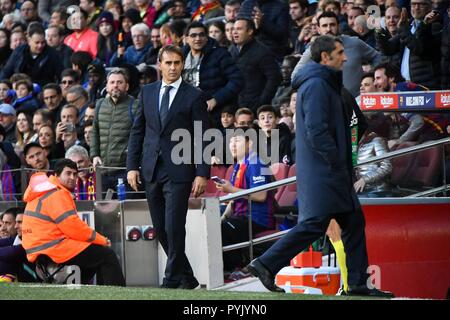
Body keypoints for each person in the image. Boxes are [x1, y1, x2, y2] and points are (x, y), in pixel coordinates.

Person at [247, 35, 394, 297]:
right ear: (325, 57)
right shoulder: (316, 85)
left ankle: (358, 283)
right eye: (340, 53)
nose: (346, 57)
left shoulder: (327, 84)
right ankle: (266, 263)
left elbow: (353, 124)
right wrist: (337, 161)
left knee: (352, 222)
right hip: (325, 171)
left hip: (326, 170)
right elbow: (317, 131)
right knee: (316, 224)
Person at [127, 45, 210, 289]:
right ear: (160, 65)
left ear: (182, 65)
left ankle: (171, 278)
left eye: (177, 63)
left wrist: (202, 172)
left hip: (180, 171)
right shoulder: (147, 92)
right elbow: (138, 131)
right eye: (168, 63)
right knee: (160, 228)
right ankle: (188, 277)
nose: (173, 67)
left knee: (174, 227)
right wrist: (131, 167)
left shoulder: (194, 95)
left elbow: (201, 137)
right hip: (151, 169)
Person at [22, 159, 125, 286]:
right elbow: (73, 227)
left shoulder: (43, 191)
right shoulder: (56, 194)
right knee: (106, 255)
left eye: (75, 174)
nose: (72, 178)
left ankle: (82, 291)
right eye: (68, 173)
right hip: (53, 249)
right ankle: (118, 295)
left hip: (40, 252)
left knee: (94, 257)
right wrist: (101, 240)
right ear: (57, 175)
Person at [216, 127, 276, 275]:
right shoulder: (239, 165)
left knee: (223, 229)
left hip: (257, 219)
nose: (232, 144)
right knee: (216, 225)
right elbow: (233, 200)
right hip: (241, 217)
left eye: (237, 140)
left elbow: (261, 196)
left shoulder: (257, 163)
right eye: (230, 141)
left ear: (250, 143)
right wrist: (222, 218)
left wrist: (230, 189)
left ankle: (239, 267)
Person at [91, 68, 138, 198]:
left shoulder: (136, 105)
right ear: (106, 86)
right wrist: (94, 155)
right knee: (104, 212)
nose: (115, 85)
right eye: (112, 82)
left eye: (119, 82)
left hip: (126, 171)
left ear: (127, 86)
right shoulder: (100, 104)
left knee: (128, 211)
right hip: (103, 171)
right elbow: (95, 131)